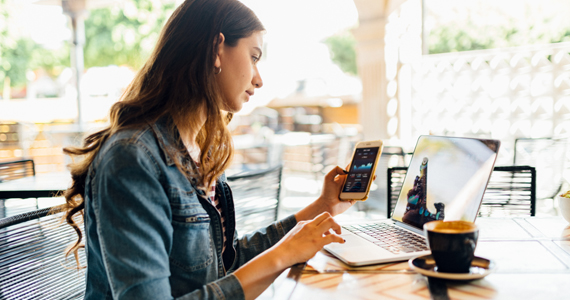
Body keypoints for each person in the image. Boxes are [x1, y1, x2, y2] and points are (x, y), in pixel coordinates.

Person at [60, 0, 356, 299]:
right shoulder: (132, 158)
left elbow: (225, 262)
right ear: (217, 48)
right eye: (253, 57)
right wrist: (282, 256)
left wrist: (323, 206)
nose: (259, 78)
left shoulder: (202, 149)